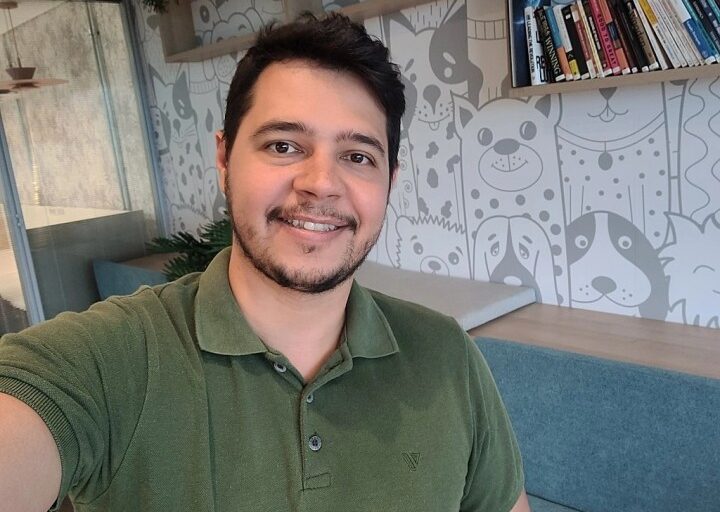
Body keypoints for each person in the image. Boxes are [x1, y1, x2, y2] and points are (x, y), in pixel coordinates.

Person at [0, 13, 530, 512]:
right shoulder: (113, 360)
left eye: (358, 156)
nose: (321, 183)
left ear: (389, 181)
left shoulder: (448, 356)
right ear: (224, 159)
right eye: (283, 146)